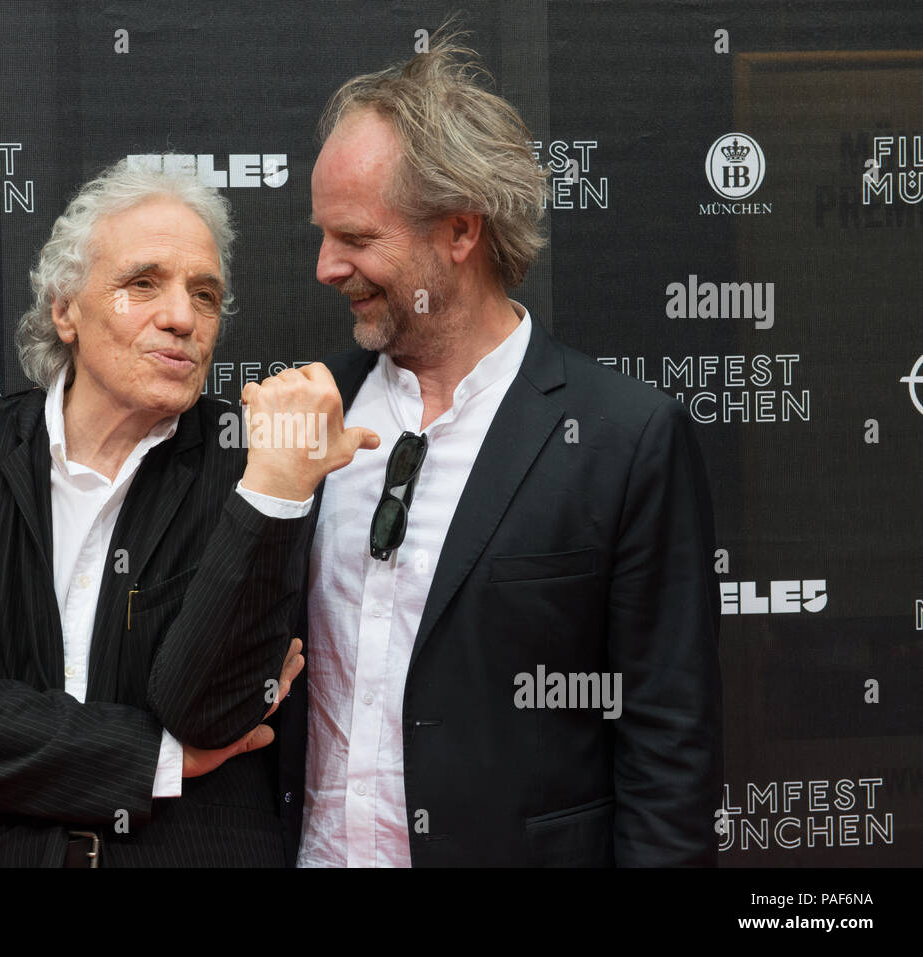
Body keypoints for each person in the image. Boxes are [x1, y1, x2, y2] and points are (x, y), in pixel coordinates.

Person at [273, 33, 723, 866]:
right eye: (322, 234)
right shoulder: (304, 412)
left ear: (459, 232)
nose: (326, 266)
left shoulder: (623, 436)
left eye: (357, 238)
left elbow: (669, 750)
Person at [0, 159, 371, 866]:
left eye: (205, 294)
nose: (182, 317)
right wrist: (158, 758)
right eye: (143, 284)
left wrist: (276, 491)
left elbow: (210, 709)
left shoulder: (253, 465)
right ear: (65, 309)